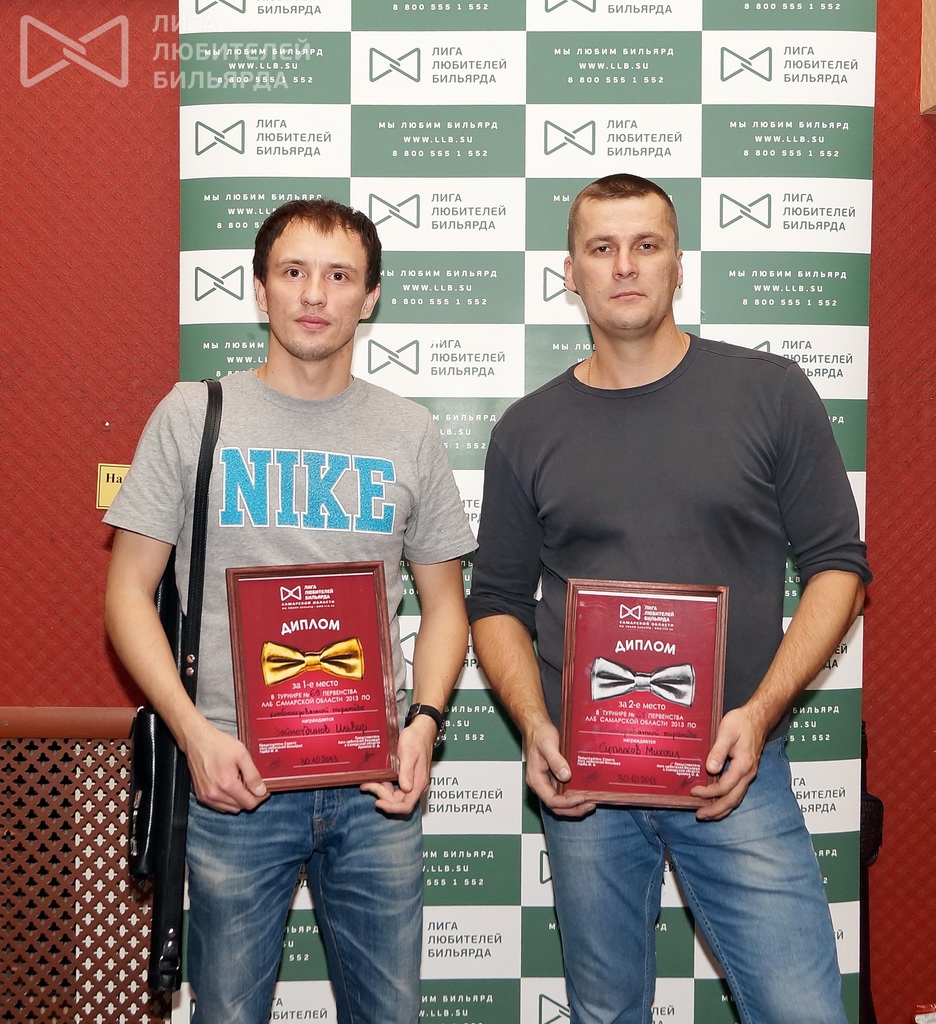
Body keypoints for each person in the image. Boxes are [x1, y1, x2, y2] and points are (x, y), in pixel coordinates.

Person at [467, 173, 871, 1024]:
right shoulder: (526, 429)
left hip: (735, 767)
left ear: (678, 265)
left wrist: (759, 715)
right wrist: (536, 726)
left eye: (646, 245)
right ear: (570, 272)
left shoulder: (769, 391)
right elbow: (496, 600)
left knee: (803, 1012)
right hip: (584, 780)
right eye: (601, 248)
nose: (625, 266)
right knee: (605, 1013)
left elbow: (840, 567)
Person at [104, 198, 476, 1024]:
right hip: (235, 778)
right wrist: (194, 735)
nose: (314, 293)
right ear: (259, 288)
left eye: (339, 276)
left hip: (374, 784)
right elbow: (126, 594)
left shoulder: (409, 431)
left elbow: (447, 605)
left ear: (370, 298)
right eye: (294, 271)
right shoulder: (192, 414)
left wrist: (423, 723)